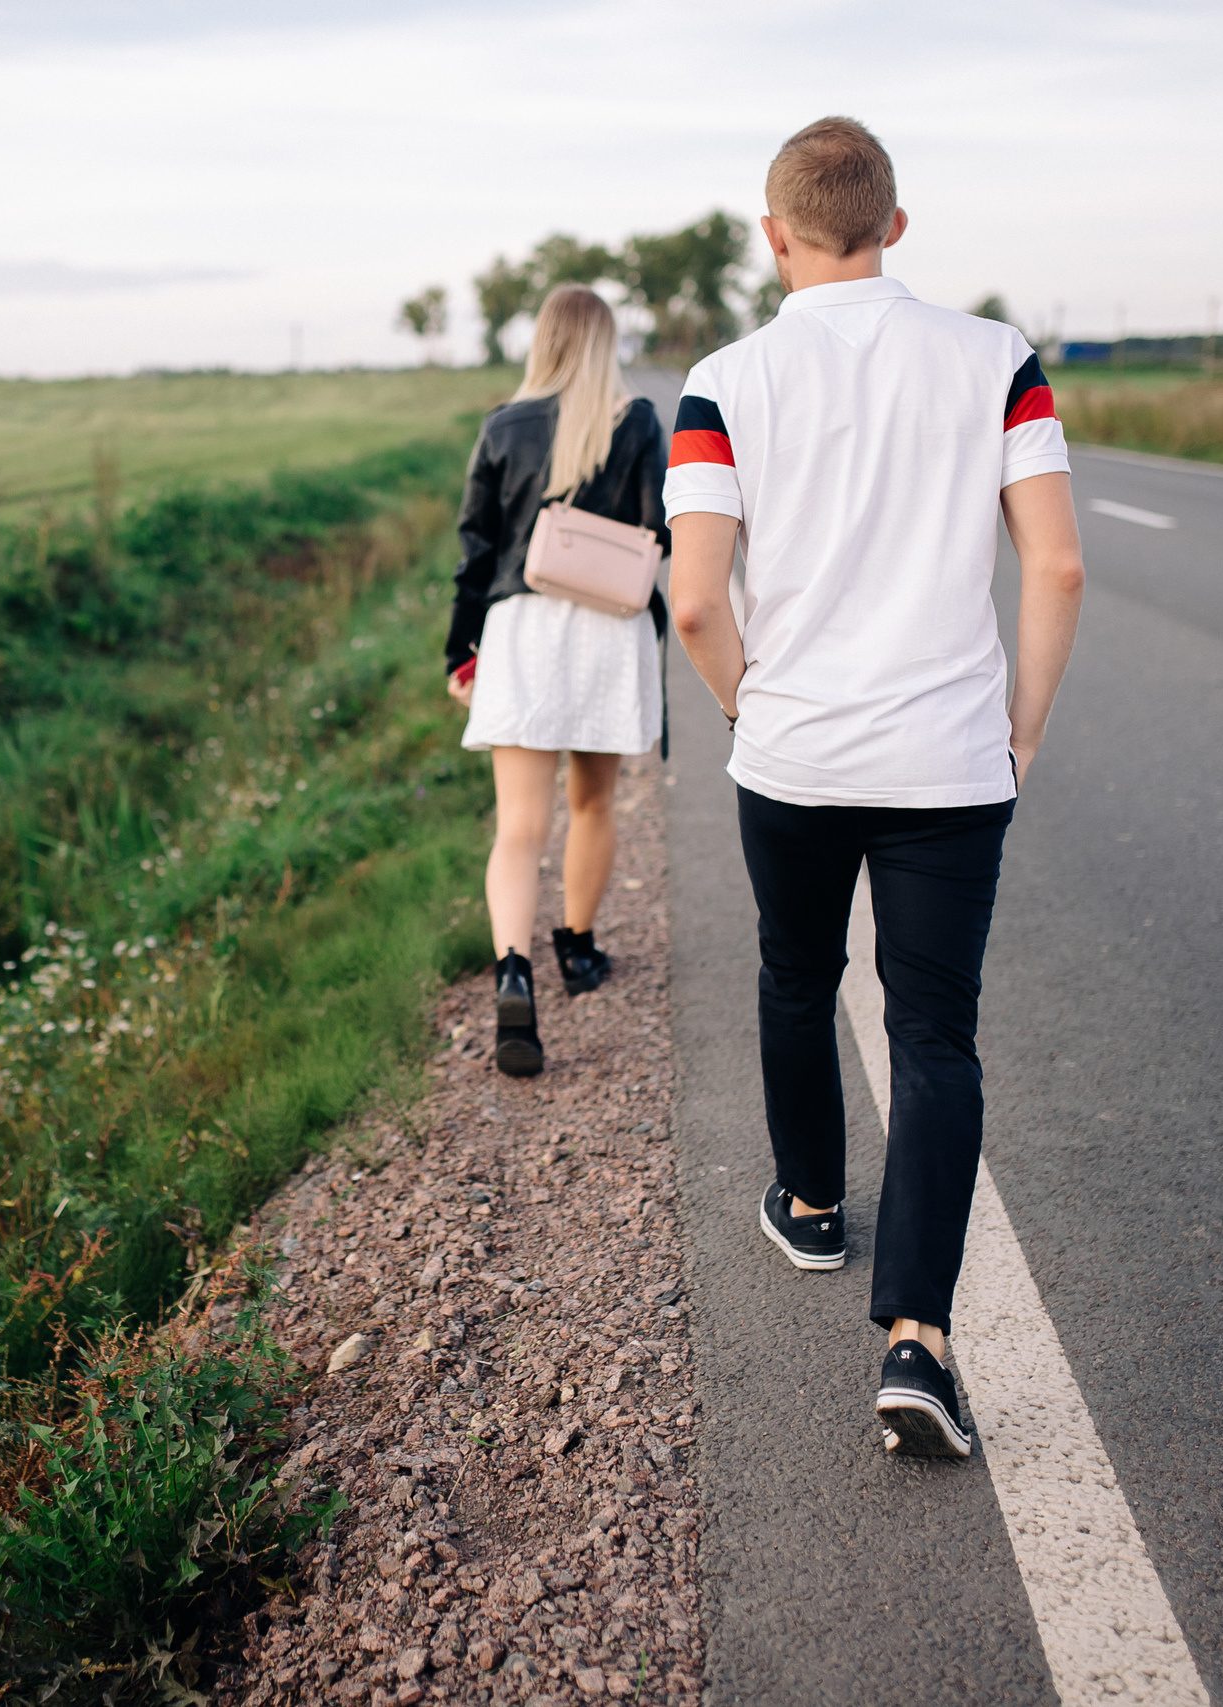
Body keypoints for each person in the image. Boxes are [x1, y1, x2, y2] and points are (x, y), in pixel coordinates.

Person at [664, 117, 1086, 1457]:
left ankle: (809, 1203)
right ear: (894, 224)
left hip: (792, 754)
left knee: (796, 975)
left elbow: (691, 599)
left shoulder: (723, 382)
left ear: (773, 234)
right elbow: (1059, 568)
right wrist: (1017, 730)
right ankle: (918, 1339)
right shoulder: (995, 358)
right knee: (936, 1035)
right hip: (948, 761)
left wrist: (749, 705)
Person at [447, 284, 670, 1079]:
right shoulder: (637, 421)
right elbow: (658, 534)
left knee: (518, 828)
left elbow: (476, 553)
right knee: (594, 802)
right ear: (606, 345)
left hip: (520, 628)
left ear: (542, 341)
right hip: (607, 627)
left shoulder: (503, 426)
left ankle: (514, 969)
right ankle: (577, 949)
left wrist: (458, 652)